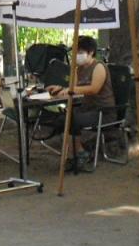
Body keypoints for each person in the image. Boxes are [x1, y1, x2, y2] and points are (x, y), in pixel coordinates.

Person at [48, 35, 116, 171]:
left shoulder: (99, 67)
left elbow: (94, 89)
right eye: (75, 52)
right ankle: (77, 152)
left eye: (80, 52)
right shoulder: (78, 69)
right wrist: (60, 89)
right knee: (61, 120)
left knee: (72, 119)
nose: (76, 56)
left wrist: (71, 89)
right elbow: (73, 89)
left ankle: (77, 154)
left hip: (103, 112)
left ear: (90, 52)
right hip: (86, 109)